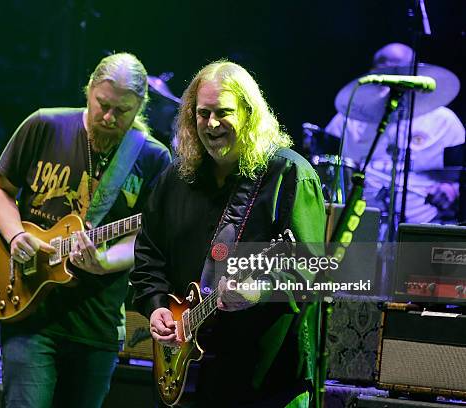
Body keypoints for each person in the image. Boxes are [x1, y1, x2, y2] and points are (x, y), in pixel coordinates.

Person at [130, 61, 326, 407]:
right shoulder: (175, 180)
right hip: (188, 375)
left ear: (249, 114)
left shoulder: (289, 174)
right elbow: (149, 255)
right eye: (203, 114)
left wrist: (258, 288)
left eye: (224, 112)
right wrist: (157, 305)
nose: (212, 124)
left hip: (265, 382)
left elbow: (307, 269)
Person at [0, 52, 171, 408]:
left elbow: (152, 236)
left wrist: (104, 262)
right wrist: (16, 235)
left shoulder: (153, 159)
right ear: (89, 90)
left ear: (140, 107)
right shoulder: (44, 125)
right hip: (31, 314)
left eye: (123, 111)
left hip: (96, 325)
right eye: (102, 104)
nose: (108, 117)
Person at [325, 43, 465, 231]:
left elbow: (458, 176)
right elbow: (325, 170)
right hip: (359, 225)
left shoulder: (444, 121)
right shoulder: (346, 119)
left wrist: (451, 190)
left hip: (424, 225)